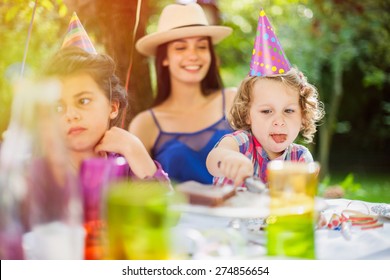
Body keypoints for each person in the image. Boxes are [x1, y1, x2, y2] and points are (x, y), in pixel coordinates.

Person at [129, 3, 237, 185]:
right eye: (180, 48)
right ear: (164, 58)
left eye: (202, 47)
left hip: (240, 212)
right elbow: (143, 193)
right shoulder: (145, 124)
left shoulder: (233, 100)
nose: (193, 55)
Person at [43, 46, 171, 187]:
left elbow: (166, 205)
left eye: (83, 101)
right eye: (58, 107)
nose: (71, 115)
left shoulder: (129, 165)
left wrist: (134, 149)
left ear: (113, 107)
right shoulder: (42, 173)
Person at [206, 67, 325, 187]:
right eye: (267, 111)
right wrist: (229, 158)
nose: (279, 121)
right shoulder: (240, 143)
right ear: (247, 114)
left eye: (288, 110)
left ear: (303, 115)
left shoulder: (300, 157)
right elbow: (213, 159)